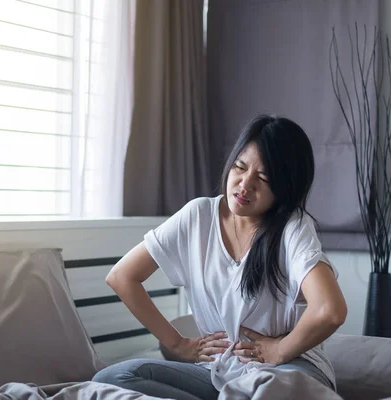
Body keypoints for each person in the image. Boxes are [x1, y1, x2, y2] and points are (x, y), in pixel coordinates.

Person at [92, 115, 348, 400]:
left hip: (288, 371)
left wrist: (280, 350)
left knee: (266, 393)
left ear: (285, 188)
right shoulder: (198, 216)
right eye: (240, 166)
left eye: (263, 178)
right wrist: (176, 344)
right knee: (112, 378)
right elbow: (121, 277)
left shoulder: (293, 227)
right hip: (219, 374)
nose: (245, 184)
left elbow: (330, 310)